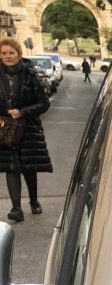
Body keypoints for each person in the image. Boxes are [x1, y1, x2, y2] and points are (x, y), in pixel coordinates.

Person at [0, 37, 52, 222]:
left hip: (28, 129)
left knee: (29, 167)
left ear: (19, 55)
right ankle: (16, 209)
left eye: (11, 53)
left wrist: (22, 112)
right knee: (11, 167)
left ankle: (34, 201)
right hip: (5, 130)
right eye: (4, 53)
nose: (8, 56)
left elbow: (44, 103)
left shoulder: (30, 75)